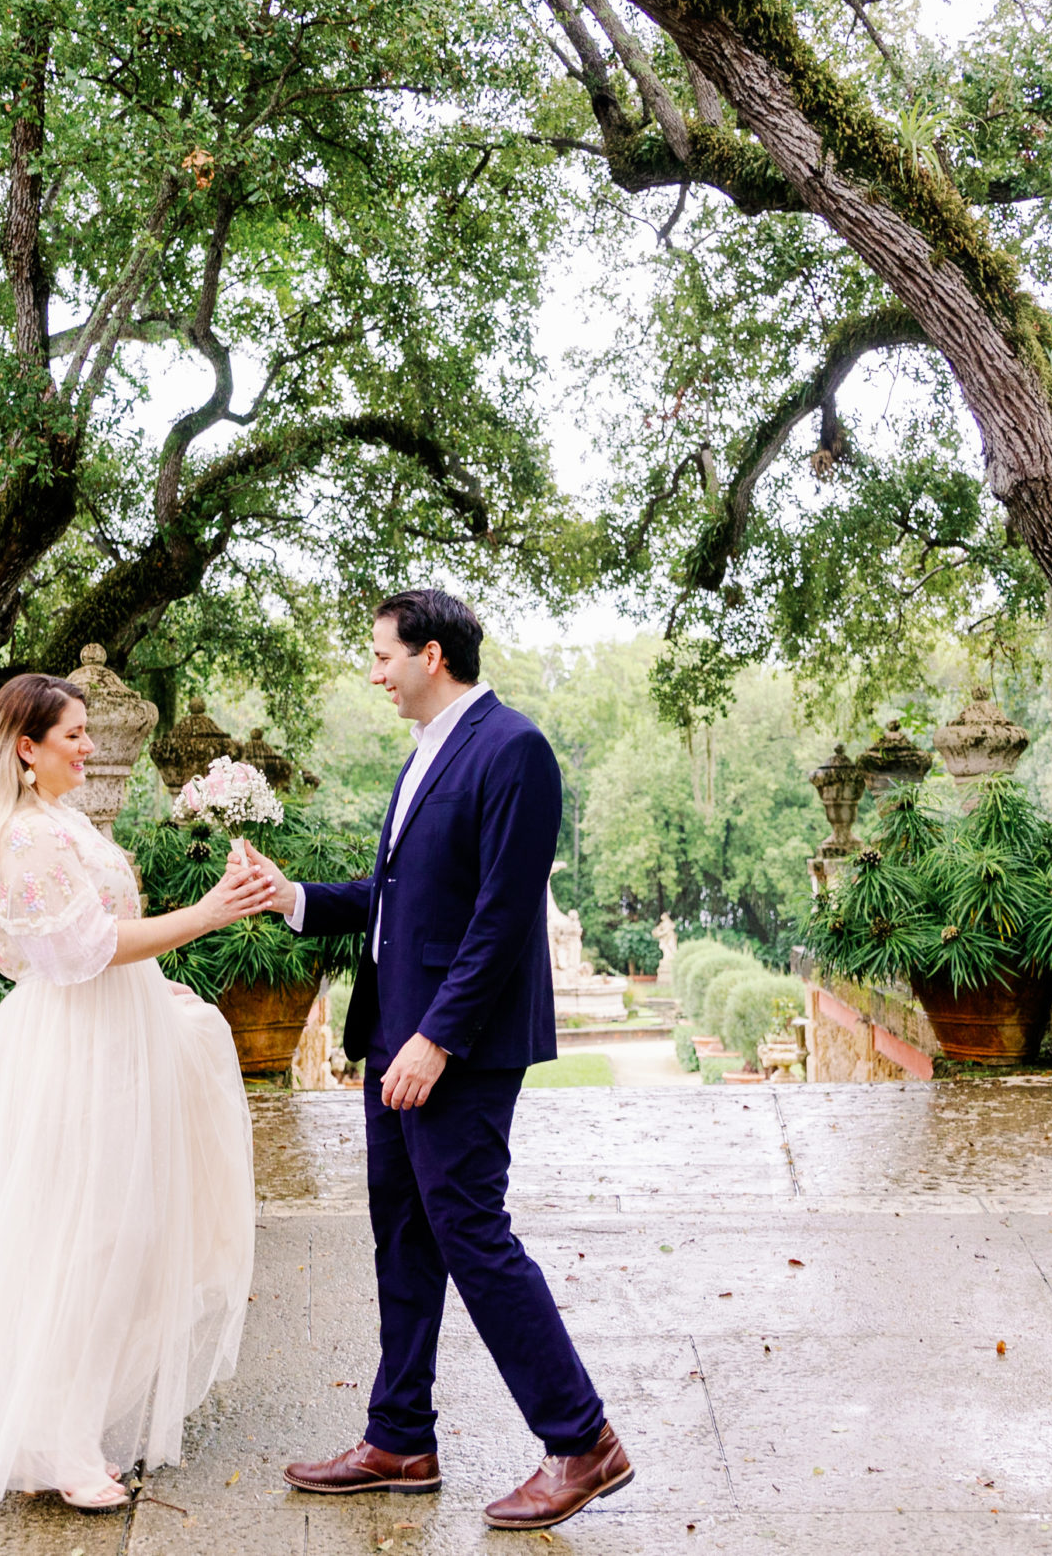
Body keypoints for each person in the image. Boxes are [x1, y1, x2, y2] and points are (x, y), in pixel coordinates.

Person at [258, 589, 632, 1531]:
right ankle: (400, 1437)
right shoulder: (426, 751)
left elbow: (504, 919)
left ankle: (582, 1440)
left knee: (471, 1231)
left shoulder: (514, 749)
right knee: (405, 1234)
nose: (374, 674)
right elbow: (395, 898)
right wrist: (291, 895)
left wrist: (438, 1037)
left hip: (452, 1048)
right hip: (396, 1035)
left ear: (432, 654)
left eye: (383, 656)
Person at [0, 673, 273, 1517]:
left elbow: (94, 947)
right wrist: (210, 912)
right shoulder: (24, 836)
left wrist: (160, 990)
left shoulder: (64, 821)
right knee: (85, 1240)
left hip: (111, 1034)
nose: (91, 746)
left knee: (120, 1234)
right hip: (70, 1055)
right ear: (27, 748)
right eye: (74, 733)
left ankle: (56, 1426)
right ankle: (62, 1442)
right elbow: (87, 949)